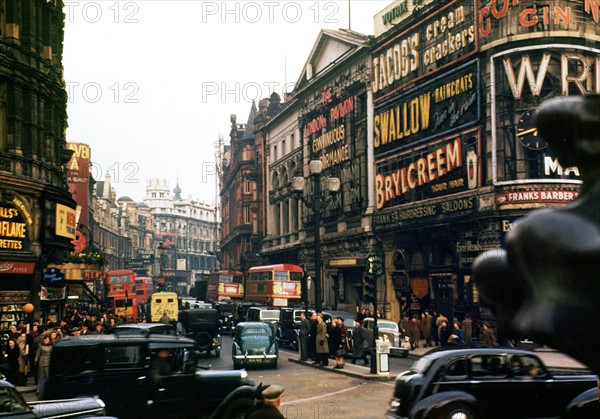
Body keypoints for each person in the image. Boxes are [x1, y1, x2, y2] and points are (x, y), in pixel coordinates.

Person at [35, 335, 52, 399]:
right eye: (45, 339)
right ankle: (39, 389)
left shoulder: (51, 346)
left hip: (48, 362)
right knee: (41, 377)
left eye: (47, 339)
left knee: (47, 376)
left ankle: (48, 389)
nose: (46, 340)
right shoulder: (41, 346)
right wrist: (36, 360)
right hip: (42, 362)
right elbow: (38, 354)